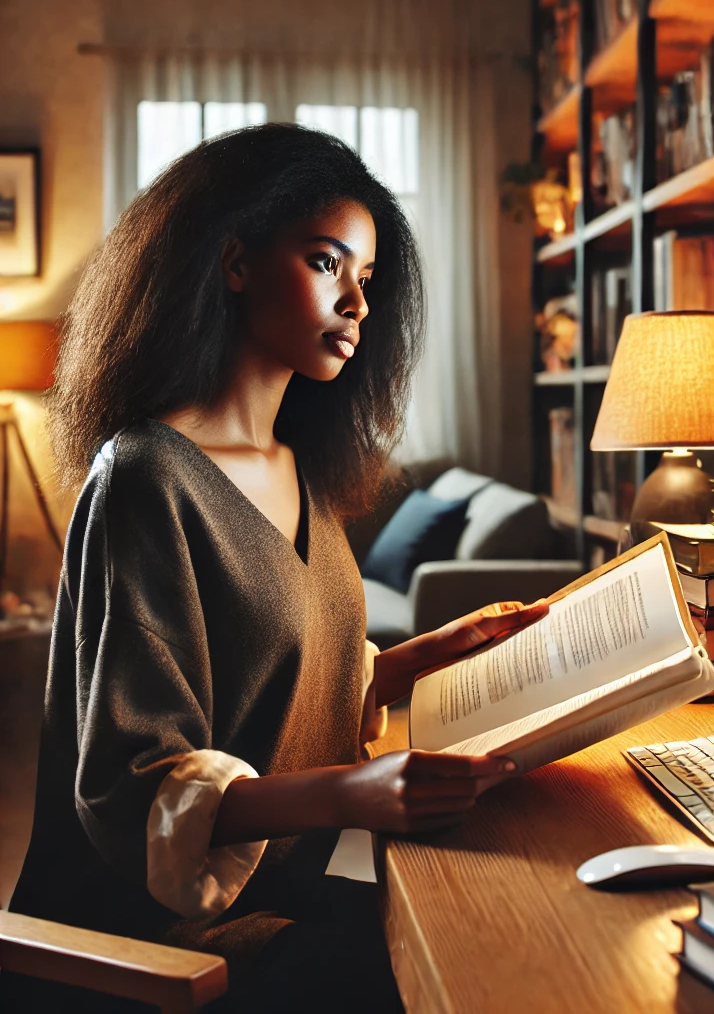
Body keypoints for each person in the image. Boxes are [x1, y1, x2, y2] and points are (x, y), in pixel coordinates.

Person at [1, 124, 547, 1012]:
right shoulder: (145, 475)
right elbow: (133, 787)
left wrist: (414, 659)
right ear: (235, 263)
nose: (358, 304)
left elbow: (260, 688)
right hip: (156, 948)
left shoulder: (304, 470)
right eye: (328, 263)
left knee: (510, 912)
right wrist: (356, 793)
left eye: (366, 280)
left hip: (280, 897)